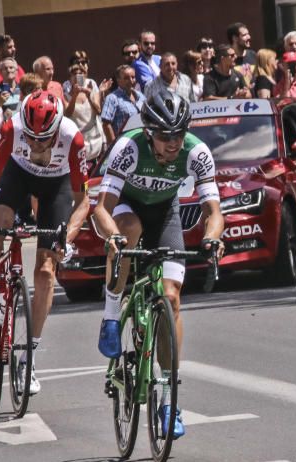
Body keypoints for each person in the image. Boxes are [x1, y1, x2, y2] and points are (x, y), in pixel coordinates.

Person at [94, 90, 225, 438]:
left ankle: (169, 398)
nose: (173, 143)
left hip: (166, 214)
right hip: (126, 209)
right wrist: (113, 239)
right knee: (129, 231)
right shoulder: (128, 147)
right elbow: (102, 208)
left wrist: (212, 238)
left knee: (171, 299)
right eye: (166, 136)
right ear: (150, 132)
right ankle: (110, 315)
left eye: (179, 135)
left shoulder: (196, 152)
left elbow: (214, 213)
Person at [0, 91, 90, 396]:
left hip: (56, 185)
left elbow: (82, 200)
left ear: (57, 129)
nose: (35, 143)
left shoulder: (72, 140)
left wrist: (67, 237)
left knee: (47, 270)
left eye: (43, 138)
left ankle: (29, 357)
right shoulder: (12, 130)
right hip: (17, 175)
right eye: (31, 137)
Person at [63, 55, 106, 165]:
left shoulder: (91, 86)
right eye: (74, 74)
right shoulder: (66, 92)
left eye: (81, 74)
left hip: (95, 140)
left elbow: (98, 110)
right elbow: (67, 114)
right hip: (78, 141)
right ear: (70, 77)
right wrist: (74, 95)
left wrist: (88, 95)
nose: (77, 77)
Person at [101, 65, 144, 145]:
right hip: (123, 144)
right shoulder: (112, 98)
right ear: (118, 80)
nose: (131, 80)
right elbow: (106, 124)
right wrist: (114, 145)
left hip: (141, 142)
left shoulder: (140, 96)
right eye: (126, 78)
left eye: (133, 77)